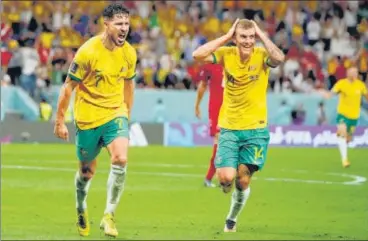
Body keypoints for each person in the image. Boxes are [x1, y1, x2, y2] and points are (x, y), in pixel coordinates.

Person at [192, 18, 285, 232]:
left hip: (256, 128)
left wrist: (261, 35)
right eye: (243, 36)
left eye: (251, 37)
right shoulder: (226, 54)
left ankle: (231, 220)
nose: (248, 41)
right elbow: (197, 55)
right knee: (225, 178)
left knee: (243, 181)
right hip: (230, 127)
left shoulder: (262, 56)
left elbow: (279, 58)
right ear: (236, 38)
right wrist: (226, 37)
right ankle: (227, 181)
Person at [53, 3, 137, 238]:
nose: (124, 28)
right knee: (86, 173)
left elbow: (129, 84)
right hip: (88, 117)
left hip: (114, 113)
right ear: (106, 24)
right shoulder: (87, 51)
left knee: (120, 158)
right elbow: (69, 86)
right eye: (119, 24)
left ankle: (109, 215)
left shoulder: (129, 52)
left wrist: (127, 114)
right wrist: (60, 121)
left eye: (126, 23)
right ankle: (81, 207)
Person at [319, 66, 368, 168]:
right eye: (352, 72)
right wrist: (326, 95)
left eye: (355, 72)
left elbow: (366, 96)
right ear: (347, 73)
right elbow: (332, 93)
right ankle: (344, 160)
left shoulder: (360, 85)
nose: (354, 74)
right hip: (342, 114)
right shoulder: (342, 83)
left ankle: (344, 137)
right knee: (342, 133)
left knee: (348, 139)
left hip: (354, 116)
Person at [194, 62, 224, 187]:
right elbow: (203, 85)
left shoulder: (236, 61)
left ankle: (218, 176)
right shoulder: (211, 65)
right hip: (217, 109)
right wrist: (197, 105)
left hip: (236, 108)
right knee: (219, 140)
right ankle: (210, 177)